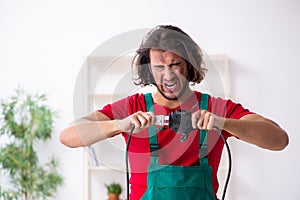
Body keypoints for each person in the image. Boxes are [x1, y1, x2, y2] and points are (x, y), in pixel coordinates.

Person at [59, 25, 289, 200]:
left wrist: (222, 122)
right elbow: (68, 136)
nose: (167, 75)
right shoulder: (132, 107)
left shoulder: (215, 108)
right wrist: (119, 125)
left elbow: (279, 140)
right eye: (159, 67)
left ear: (190, 64)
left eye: (175, 64)